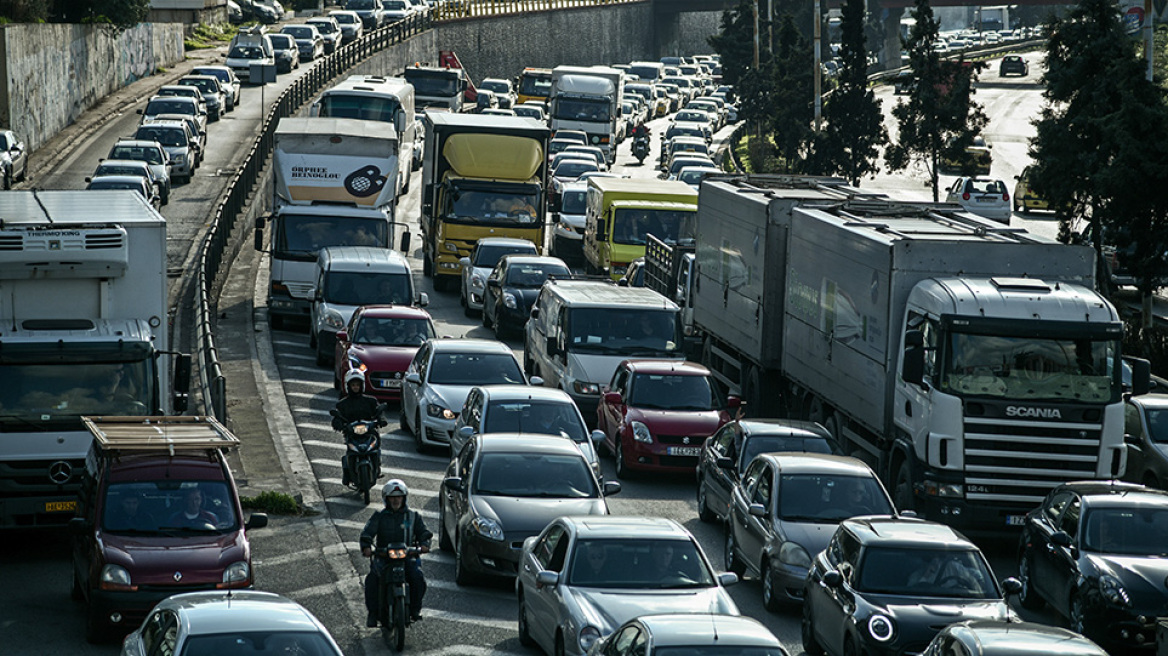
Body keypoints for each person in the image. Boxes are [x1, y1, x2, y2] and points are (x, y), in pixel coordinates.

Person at [360, 480, 432, 627]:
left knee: (418, 578)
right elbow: (367, 533)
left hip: (407, 557)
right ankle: (373, 613)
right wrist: (366, 547)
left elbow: (424, 533)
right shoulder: (379, 516)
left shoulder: (412, 516)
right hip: (384, 558)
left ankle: (415, 609)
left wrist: (425, 544)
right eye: (392, 497)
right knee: (372, 580)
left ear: (404, 498)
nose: (396, 500)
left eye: (399, 496)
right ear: (386, 498)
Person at [334, 369, 383, 486]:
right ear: (348, 386)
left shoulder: (370, 401)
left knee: (377, 447)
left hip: (369, 433)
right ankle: (347, 473)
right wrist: (339, 424)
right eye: (353, 385)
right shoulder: (342, 404)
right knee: (348, 453)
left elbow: (379, 411)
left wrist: (381, 420)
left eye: (358, 385)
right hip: (352, 435)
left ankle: (377, 466)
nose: (355, 387)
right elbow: (337, 417)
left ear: (362, 385)